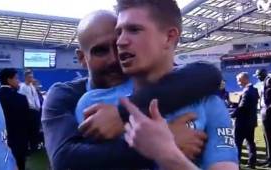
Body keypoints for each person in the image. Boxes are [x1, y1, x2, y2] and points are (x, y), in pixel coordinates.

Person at [43, 10, 220, 170]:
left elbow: (209, 74)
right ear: (82, 57)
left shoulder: (150, 81)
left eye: (118, 46)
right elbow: (64, 158)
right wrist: (160, 145)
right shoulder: (65, 95)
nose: (114, 59)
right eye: (100, 51)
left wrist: (121, 114)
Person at [79, 0, 238, 169]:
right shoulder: (95, 105)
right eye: (119, 32)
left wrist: (166, 153)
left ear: (169, 37)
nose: (120, 41)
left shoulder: (209, 105)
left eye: (134, 30)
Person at [0, 68, 30, 170]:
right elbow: (26, 121)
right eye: (16, 78)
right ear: (9, 80)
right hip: (19, 142)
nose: (18, 81)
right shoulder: (21, 99)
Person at [231, 72, 258, 168]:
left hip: (242, 123)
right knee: (250, 142)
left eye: (239, 80)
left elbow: (242, 107)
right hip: (251, 121)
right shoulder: (254, 90)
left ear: (245, 79)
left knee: (237, 144)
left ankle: (236, 164)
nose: (238, 82)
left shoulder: (247, 91)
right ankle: (252, 163)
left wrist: (231, 115)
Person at [254, 68, 271, 167]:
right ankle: (270, 159)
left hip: (270, 114)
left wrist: (270, 108)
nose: (258, 77)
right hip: (265, 113)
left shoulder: (270, 80)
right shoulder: (265, 82)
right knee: (267, 137)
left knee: (270, 138)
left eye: (258, 75)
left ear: (262, 74)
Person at [19, 70, 41, 151]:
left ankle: (34, 145)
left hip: (35, 110)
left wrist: (38, 106)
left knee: (35, 128)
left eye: (32, 76)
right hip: (29, 111)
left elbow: (35, 97)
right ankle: (28, 146)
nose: (31, 78)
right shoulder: (23, 87)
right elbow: (23, 99)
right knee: (29, 129)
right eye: (30, 77)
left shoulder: (32, 86)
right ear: (25, 77)